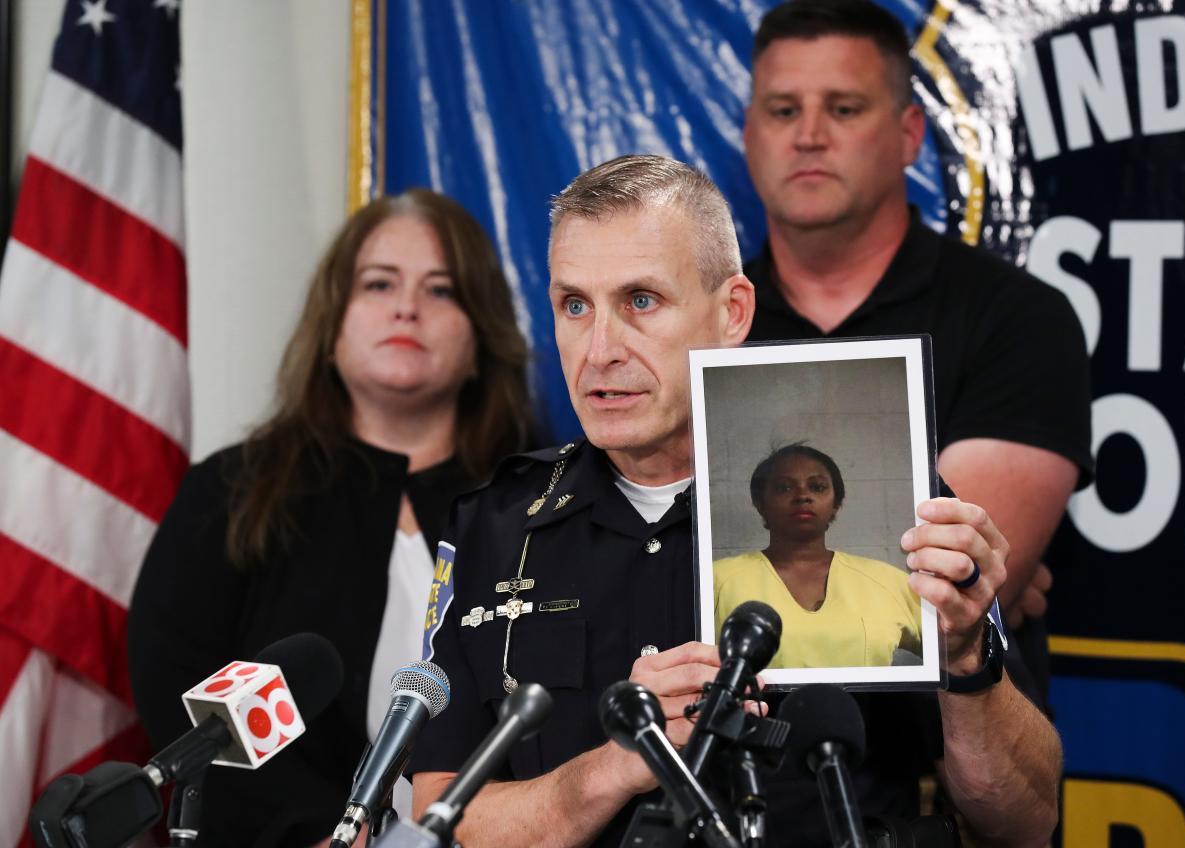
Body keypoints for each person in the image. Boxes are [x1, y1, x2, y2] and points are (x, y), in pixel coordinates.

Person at [408, 154, 1061, 847]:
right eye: (575, 304)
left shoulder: (904, 503)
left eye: (640, 301)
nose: (599, 349)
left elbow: (1025, 819)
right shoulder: (497, 524)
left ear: (732, 312)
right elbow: (438, 823)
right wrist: (621, 762)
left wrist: (966, 661)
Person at [127, 188, 536, 846]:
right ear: (333, 323)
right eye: (379, 284)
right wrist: (316, 833)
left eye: (442, 290)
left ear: (482, 336)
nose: (407, 306)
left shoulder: (546, 499)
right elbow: (177, 697)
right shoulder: (232, 491)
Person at [740, 0, 1094, 694]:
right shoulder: (701, 322)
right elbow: (642, 565)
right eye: (783, 111)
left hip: (945, 776)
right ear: (748, 135)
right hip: (729, 777)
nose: (808, 135)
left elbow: (946, 605)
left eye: (843, 109)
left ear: (908, 134)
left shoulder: (1019, 319)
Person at [714, 444, 922, 669]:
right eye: (784, 488)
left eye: (817, 487)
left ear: (836, 504)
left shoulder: (889, 582)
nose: (803, 496)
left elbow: (955, 655)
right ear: (760, 504)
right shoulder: (717, 580)